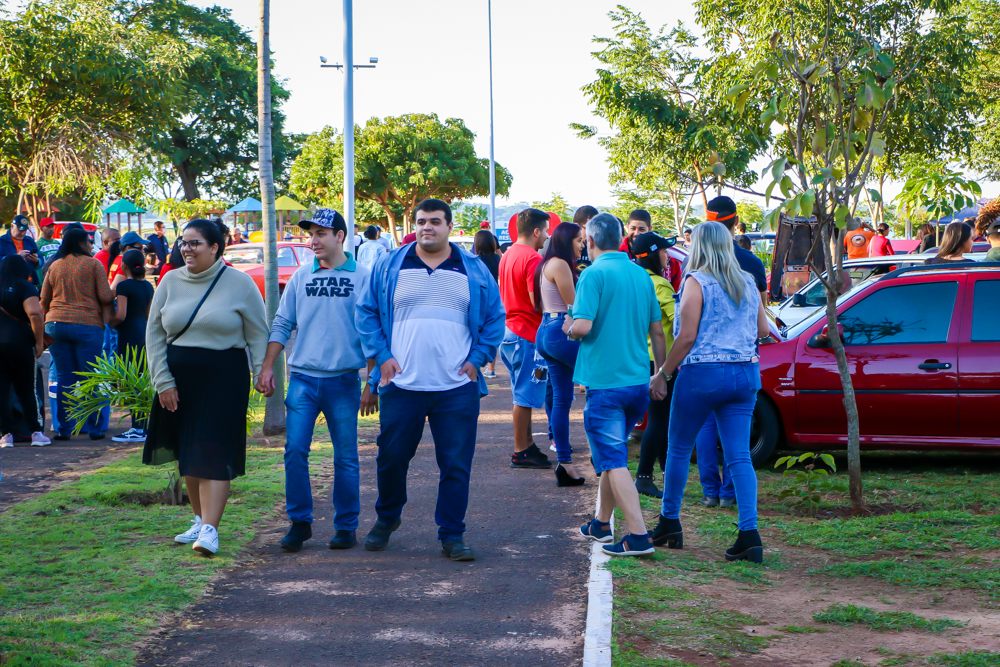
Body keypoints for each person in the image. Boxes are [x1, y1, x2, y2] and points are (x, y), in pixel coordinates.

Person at [355, 198, 504, 561]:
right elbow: (366, 311)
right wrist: (382, 357)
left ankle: (452, 534)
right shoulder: (390, 264)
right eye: (422, 221)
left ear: (450, 226)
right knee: (391, 458)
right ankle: (387, 518)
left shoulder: (473, 269)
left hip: (456, 388)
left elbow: (494, 318)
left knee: (455, 465)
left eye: (435, 221)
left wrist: (477, 360)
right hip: (401, 384)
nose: (427, 227)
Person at [143, 219, 268, 556]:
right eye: (183, 242)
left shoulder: (240, 283)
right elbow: (154, 334)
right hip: (178, 379)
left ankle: (211, 530)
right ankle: (199, 521)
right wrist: (163, 381)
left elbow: (258, 334)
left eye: (195, 243)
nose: (187, 248)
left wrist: (262, 373)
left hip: (223, 378)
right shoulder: (169, 280)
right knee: (189, 451)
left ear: (215, 247)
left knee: (214, 450)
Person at [256, 208, 378, 552]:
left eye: (321, 233)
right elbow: (283, 323)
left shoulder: (363, 276)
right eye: (310, 234)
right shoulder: (300, 276)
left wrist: (372, 383)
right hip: (303, 381)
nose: (313, 240)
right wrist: (267, 366)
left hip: (344, 381)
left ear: (340, 236)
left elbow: (372, 331)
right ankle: (300, 522)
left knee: (346, 457)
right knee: (295, 451)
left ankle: (346, 526)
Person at [649, 221, 770, 563]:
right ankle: (749, 534)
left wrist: (662, 374)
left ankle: (669, 521)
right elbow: (762, 329)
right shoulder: (747, 281)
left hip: (703, 373)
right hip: (745, 373)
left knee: (678, 448)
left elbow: (686, 336)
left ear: (698, 246)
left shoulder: (696, 281)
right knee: (739, 455)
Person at [566, 213, 665, 557]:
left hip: (605, 383)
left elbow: (582, 326)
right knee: (613, 455)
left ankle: (638, 535)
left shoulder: (593, 274)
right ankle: (601, 523)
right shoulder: (641, 274)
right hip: (637, 380)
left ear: (590, 241)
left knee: (613, 460)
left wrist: (568, 327)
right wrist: (661, 373)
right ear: (621, 239)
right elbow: (657, 332)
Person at [39, 228, 114, 441]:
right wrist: (116, 293)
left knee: (64, 378)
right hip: (87, 325)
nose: (91, 245)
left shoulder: (55, 265)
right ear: (81, 243)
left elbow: (44, 298)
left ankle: (64, 428)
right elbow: (105, 296)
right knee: (89, 377)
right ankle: (95, 429)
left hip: (56, 325)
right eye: (89, 242)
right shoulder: (94, 264)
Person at [533, 221, 585, 486]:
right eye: (579, 240)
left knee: (562, 400)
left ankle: (565, 464)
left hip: (547, 330)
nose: (582, 245)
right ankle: (604, 461)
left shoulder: (546, 263)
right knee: (599, 385)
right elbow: (575, 305)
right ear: (567, 240)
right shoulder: (560, 264)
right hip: (559, 330)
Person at [498, 208, 551, 469]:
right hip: (527, 332)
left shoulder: (508, 254)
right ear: (536, 231)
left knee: (521, 393)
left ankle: (527, 445)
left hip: (510, 330)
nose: (548, 236)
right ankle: (520, 450)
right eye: (546, 231)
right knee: (524, 395)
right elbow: (536, 301)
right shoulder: (532, 258)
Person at [630, 232, 675, 498]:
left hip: (639, 358)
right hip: (661, 362)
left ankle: (666, 472)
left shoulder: (634, 280)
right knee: (659, 421)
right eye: (664, 251)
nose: (667, 256)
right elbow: (678, 321)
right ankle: (644, 476)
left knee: (658, 419)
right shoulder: (660, 284)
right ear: (652, 255)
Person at [106, 249, 155, 443]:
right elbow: (149, 315)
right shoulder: (148, 286)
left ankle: (137, 428)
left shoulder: (124, 286)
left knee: (131, 380)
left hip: (129, 334)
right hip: (143, 331)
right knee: (142, 379)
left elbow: (121, 315)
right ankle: (144, 425)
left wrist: (109, 321)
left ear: (123, 266)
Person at [0, 255, 49, 447]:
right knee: (27, 389)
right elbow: (35, 313)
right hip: (20, 343)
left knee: (2, 390)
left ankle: (5, 435)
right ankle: (35, 432)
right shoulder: (26, 286)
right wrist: (39, 341)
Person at [474, 229, 501, 379]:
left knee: (476, 333)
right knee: (491, 332)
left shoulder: (475, 261)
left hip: (478, 299)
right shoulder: (498, 259)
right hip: (494, 298)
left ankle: (476, 365)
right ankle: (491, 368)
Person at [0, 216, 40, 285]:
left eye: (25, 230)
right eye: (20, 230)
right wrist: (16, 257)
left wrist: (36, 261)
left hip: (29, 282)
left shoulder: (29, 240)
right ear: (12, 226)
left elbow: (40, 260)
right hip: (10, 283)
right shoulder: (2, 241)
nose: (23, 233)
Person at [35, 218, 60, 284]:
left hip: (58, 278)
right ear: (41, 228)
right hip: (45, 280)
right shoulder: (37, 245)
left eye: (52, 226)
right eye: (48, 227)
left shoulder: (57, 243)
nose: (51, 229)